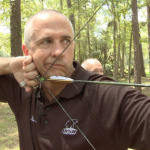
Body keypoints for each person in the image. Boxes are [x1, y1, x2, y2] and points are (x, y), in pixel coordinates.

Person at [0, 9, 150, 150]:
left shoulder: (106, 95)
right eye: (47, 41)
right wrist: (10, 65)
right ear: (27, 51)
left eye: (66, 40)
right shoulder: (22, 84)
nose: (59, 51)